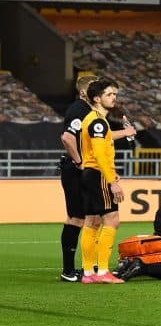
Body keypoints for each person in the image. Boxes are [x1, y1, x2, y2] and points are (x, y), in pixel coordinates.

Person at [79, 78, 127, 284]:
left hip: (90, 173)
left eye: (115, 94)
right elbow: (99, 153)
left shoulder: (91, 119)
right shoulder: (98, 121)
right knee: (112, 219)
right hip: (97, 173)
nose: (113, 97)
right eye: (109, 94)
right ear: (97, 98)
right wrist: (112, 181)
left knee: (92, 221)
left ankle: (89, 272)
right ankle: (103, 271)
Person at [58, 75, 96, 282]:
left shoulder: (88, 111)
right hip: (75, 170)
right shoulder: (79, 109)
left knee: (90, 217)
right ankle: (68, 270)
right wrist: (79, 162)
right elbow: (66, 137)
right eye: (94, 88)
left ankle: (86, 267)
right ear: (83, 92)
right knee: (76, 218)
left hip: (83, 170)